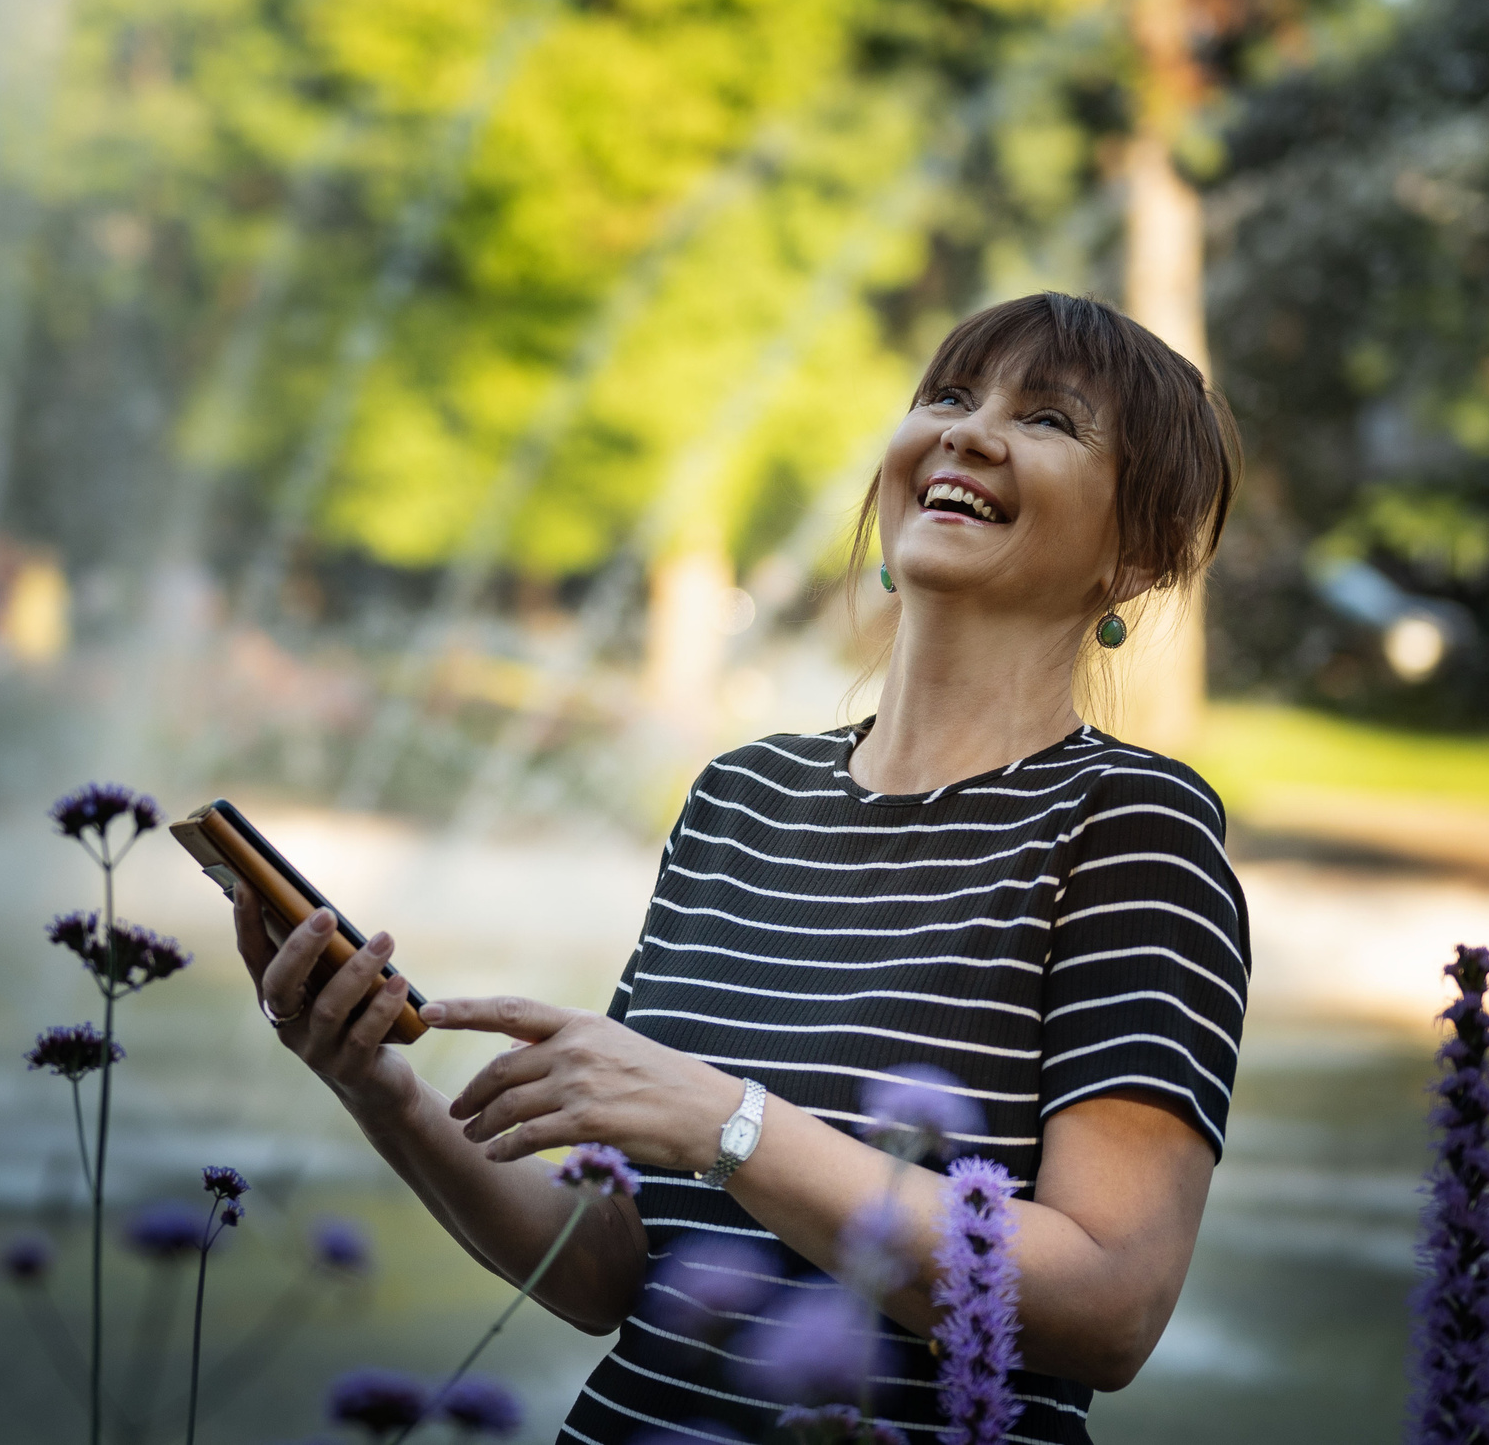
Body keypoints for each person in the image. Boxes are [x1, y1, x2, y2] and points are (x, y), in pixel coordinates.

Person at [233, 292, 1247, 1442]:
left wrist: (732, 1123)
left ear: (1138, 555)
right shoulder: (739, 800)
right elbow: (605, 1271)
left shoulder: (1128, 827)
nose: (969, 431)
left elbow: (1107, 1307)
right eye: (950, 398)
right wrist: (382, 1090)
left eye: (1050, 420)